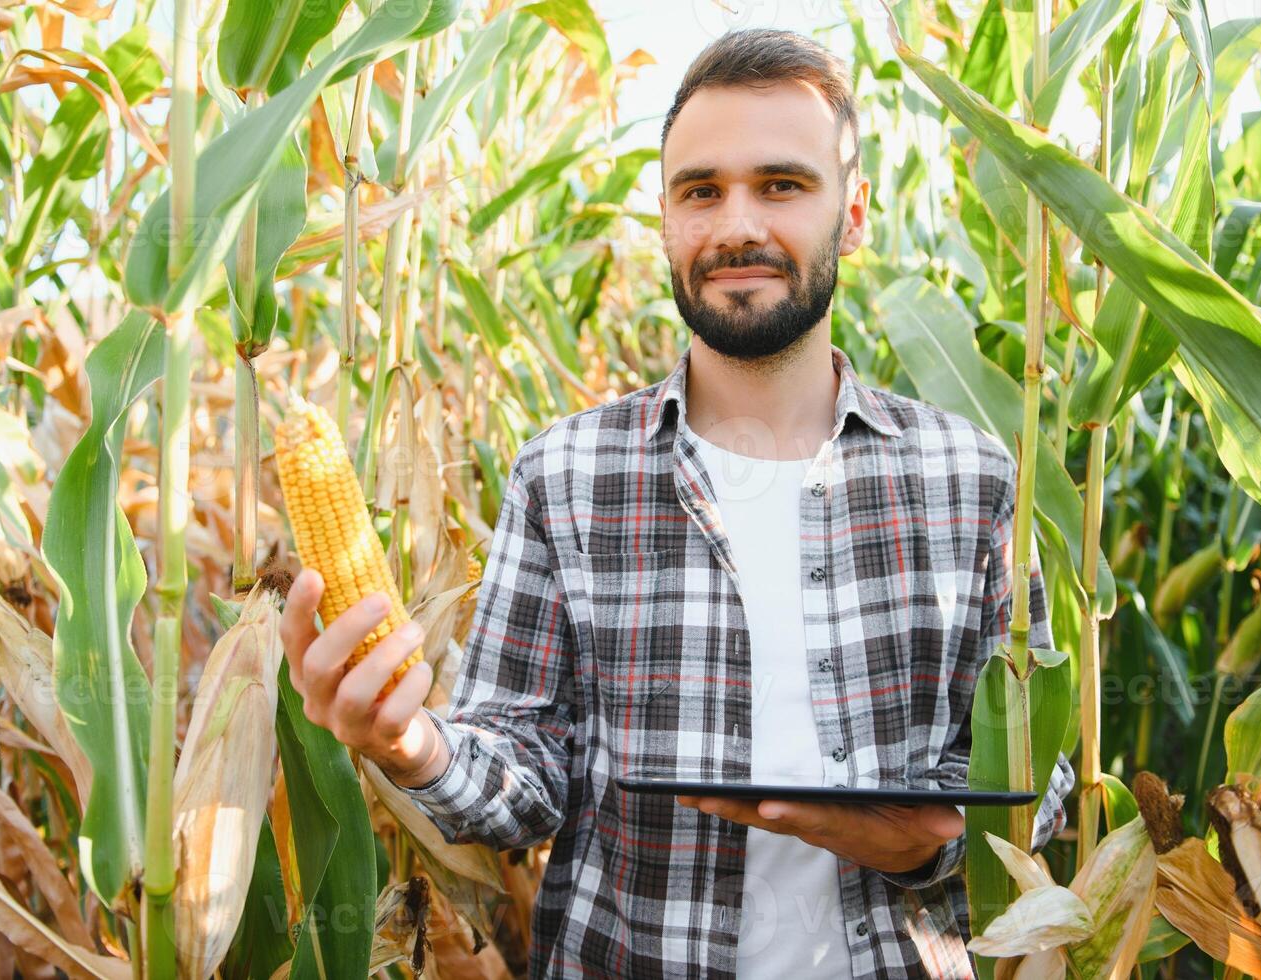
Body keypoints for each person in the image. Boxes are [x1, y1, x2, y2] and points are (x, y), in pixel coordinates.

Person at [278, 27, 1073, 979]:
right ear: (664, 217)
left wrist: (923, 838)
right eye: (701, 191)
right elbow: (526, 781)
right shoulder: (565, 473)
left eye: (781, 185)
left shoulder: (969, 475)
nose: (736, 224)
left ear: (852, 215)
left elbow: (1037, 772)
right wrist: (410, 745)